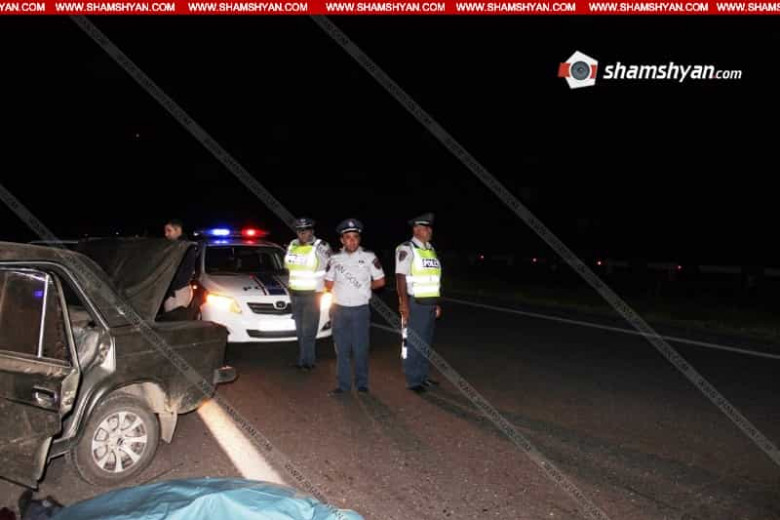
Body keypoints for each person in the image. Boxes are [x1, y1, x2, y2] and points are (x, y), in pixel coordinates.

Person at [324, 219, 385, 395]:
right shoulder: (334, 259)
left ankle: (362, 384)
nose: (352, 241)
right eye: (348, 237)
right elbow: (328, 283)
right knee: (342, 350)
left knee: (360, 349)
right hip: (339, 310)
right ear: (342, 240)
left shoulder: (369, 257)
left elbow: (380, 281)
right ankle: (343, 386)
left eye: (355, 237)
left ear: (359, 239)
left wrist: (364, 287)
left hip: (360, 310)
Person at [395, 212, 442, 393]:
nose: (430, 231)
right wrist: (403, 303)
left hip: (430, 304)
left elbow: (432, 278)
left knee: (426, 344)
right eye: (425, 228)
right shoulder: (407, 248)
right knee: (414, 343)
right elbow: (400, 277)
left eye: (430, 228)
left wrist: (436, 303)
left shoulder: (430, 249)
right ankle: (414, 380)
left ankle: (423, 376)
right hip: (416, 304)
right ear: (416, 230)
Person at [284, 217, 331, 371]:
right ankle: (302, 360)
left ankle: (308, 362)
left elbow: (331, 266)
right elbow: (289, 267)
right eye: (300, 231)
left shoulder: (321, 246)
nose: (303, 234)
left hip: (313, 294)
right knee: (300, 331)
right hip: (295, 294)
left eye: (306, 230)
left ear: (312, 231)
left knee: (308, 331)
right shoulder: (292, 244)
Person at [162, 218, 197, 317]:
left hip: (179, 291)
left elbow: (185, 272)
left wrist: (173, 288)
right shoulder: (176, 246)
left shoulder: (184, 247)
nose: (166, 234)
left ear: (177, 230)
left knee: (174, 319)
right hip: (176, 290)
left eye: (169, 231)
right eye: (165, 231)